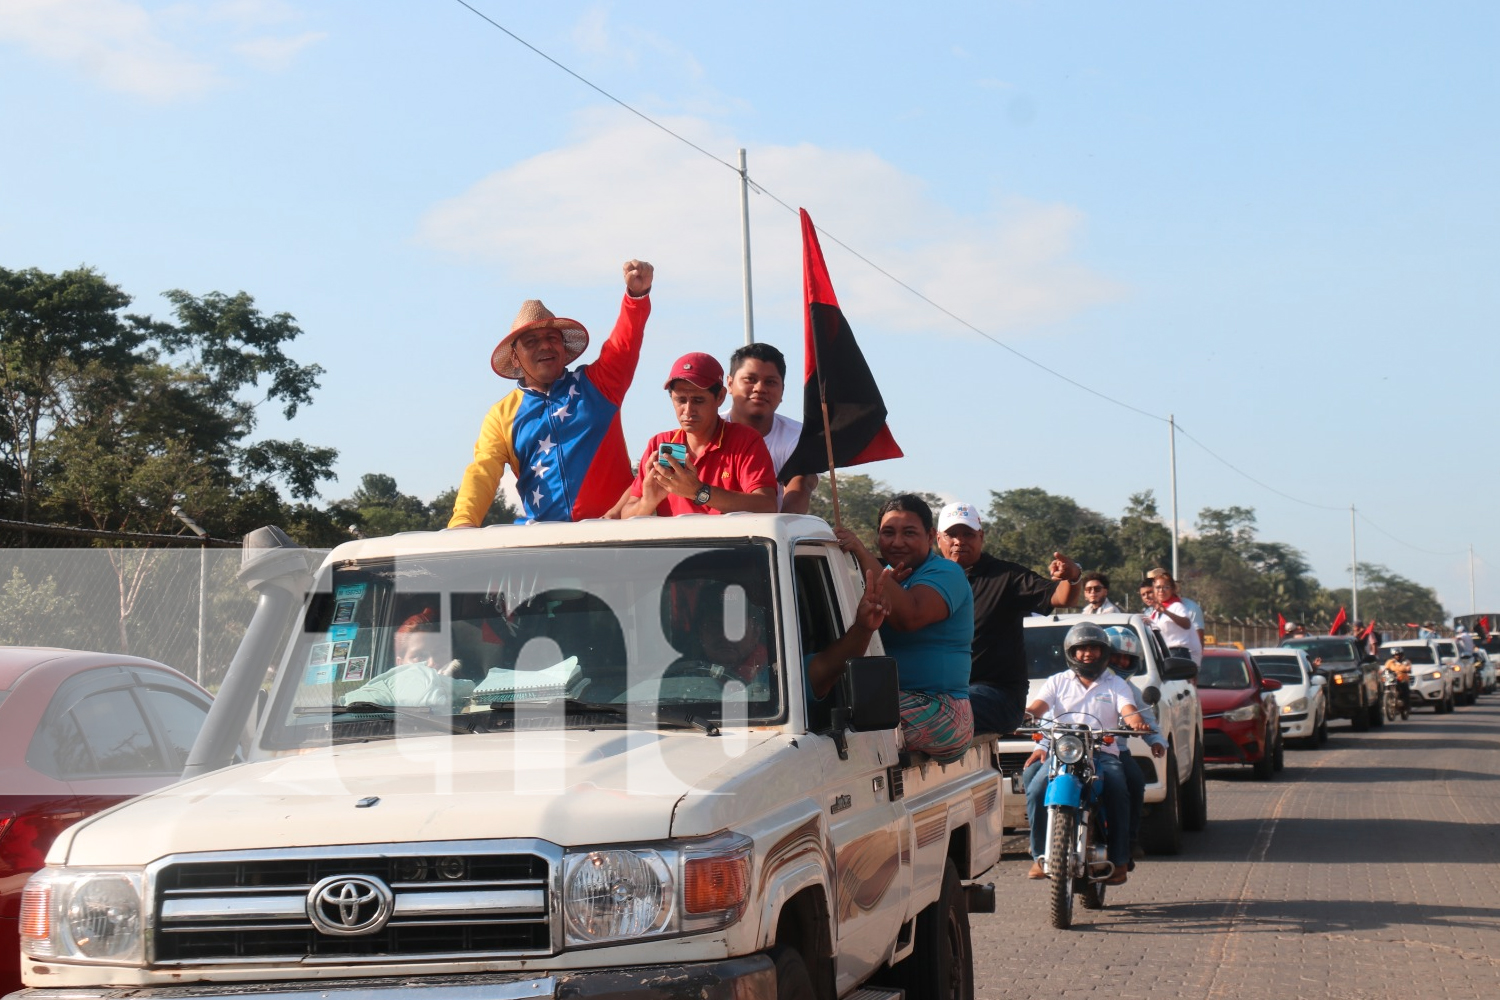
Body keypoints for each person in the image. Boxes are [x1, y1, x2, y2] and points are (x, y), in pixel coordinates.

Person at [449, 260, 654, 526]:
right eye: (531, 342)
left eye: (552, 338)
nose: (545, 345)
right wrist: (462, 523)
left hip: (615, 533)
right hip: (547, 546)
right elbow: (482, 472)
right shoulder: (501, 416)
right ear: (514, 358)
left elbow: (625, 342)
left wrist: (636, 297)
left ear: (564, 348)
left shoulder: (598, 383)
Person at [835, 495, 976, 763]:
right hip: (891, 702)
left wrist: (861, 553)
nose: (897, 542)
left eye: (909, 533)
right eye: (888, 533)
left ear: (930, 536)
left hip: (944, 710)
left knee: (832, 722)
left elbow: (910, 616)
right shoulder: (887, 576)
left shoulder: (946, 573)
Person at [933, 501, 1080, 737]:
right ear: (937, 538)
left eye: (968, 534)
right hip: (941, 692)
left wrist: (1072, 577)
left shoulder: (1007, 576)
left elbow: (1061, 597)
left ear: (981, 537)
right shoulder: (927, 577)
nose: (959, 541)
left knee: (941, 714)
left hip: (995, 694)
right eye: (951, 534)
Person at [1020, 622, 1152, 884]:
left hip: (1102, 752)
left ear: (1104, 652)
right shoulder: (1057, 681)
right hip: (1064, 752)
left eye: (1094, 648)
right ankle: (1039, 856)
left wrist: (1135, 721)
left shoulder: (1115, 683)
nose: (1088, 654)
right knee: (1036, 789)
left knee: (1118, 789)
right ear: (1071, 652)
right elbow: (1039, 706)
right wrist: (1026, 714)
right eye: (1082, 649)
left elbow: (1127, 708)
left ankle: (1120, 860)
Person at [623, 353, 778, 517]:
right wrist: (648, 502)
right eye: (681, 400)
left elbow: (766, 505)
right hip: (674, 542)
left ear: (720, 397)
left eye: (698, 400)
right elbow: (626, 515)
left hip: (728, 542)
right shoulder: (659, 443)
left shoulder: (745, 440)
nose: (688, 410)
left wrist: (698, 491)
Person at [722, 342, 820, 513]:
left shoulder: (801, 438)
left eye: (770, 382)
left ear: (782, 391)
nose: (760, 388)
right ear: (729, 384)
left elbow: (799, 490)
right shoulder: (706, 431)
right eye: (750, 380)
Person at [1103, 626, 1168, 865]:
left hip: (1115, 751)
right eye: (1115, 655)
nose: (1120, 662)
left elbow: (1147, 720)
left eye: (1126, 658)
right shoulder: (1064, 682)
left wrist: (1156, 740)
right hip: (1074, 750)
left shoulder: (1129, 689)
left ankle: (1128, 843)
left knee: (1134, 781)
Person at [341, 609, 476, 709]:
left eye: (440, 652)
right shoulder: (381, 703)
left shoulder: (481, 696)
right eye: (420, 656)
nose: (431, 662)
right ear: (400, 664)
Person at [1149, 573, 1203, 664]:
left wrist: (1166, 612)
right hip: (1162, 654)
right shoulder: (1155, 612)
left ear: (1173, 589)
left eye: (1166, 587)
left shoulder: (1177, 606)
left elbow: (1187, 624)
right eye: (1158, 587)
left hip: (1177, 654)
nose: (1161, 591)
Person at [1384, 647, 1412, 711]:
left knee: (1405, 689)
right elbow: (1386, 668)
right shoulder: (1390, 662)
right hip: (1392, 679)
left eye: (1399, 654)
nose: (1398, 656)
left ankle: (1407, 706)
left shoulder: (1406, 662)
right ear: (1393, 655)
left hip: (1402, 679)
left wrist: (1406, 670)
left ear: (1402, 654)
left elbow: (1408, 668)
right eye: (1396, 655)